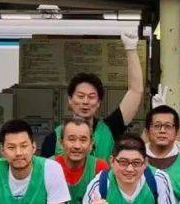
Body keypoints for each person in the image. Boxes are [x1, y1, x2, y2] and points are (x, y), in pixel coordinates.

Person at [39, 32, 144, 161]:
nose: (86, 101)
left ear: (99, 102)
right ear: (70, 100)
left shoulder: (110, 129)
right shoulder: (53, 138)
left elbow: (135, 91)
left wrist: (131, 49)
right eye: (80, 96)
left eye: (91, 96)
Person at [145, 105, 180, 202]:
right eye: (157, 126)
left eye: (168, 126)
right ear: (147, 132)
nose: (162, 131)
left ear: (177, 132)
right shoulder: (134, 163)